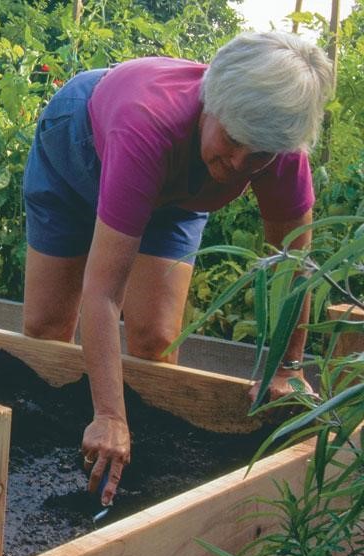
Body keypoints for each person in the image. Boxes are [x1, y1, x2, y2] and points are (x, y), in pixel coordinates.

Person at [21, 31, 334, 508]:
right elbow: (103, 293)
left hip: (175, 188)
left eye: (258, 157)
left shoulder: (277, 146)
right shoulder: (148, 122)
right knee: (47, 327)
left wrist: (288, 367)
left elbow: (293, 265)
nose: (237, 166)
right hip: (78, 145)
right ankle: (61, 447)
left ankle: (134, 465)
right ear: (210, 101)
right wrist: (108, 413)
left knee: (154, 338)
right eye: (232, 143)